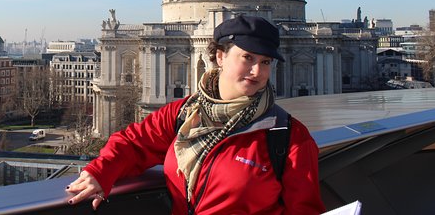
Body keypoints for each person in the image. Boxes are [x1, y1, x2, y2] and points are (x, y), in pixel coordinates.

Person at [66, 15, 325, 214]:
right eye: (247, 57)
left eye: (266, 62)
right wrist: (101, 171)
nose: (257, 71)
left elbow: (304, 209)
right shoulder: (183, 113)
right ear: (220, 57)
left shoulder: (289, 137)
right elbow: (133, 142)